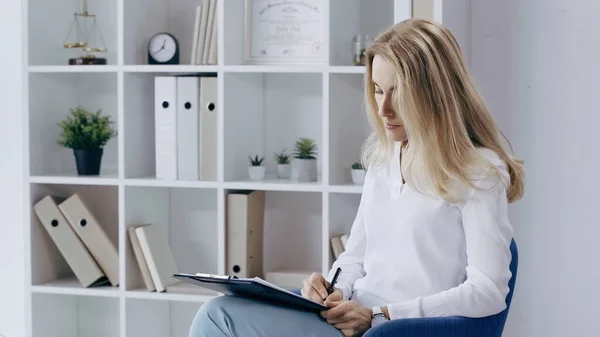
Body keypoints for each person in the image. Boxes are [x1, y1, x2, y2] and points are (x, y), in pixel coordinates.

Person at [188, 18, 524, 337]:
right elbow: (356, 256)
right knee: (217, 311)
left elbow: (488, 292)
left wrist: (382, 315)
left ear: (434, 93)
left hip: (389, 330)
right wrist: (333, 288)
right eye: (378, 90)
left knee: (220, 319)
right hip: (347, 319)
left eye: (398, 92)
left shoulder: (479, 172)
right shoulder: (384, 159)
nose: (384, 109)